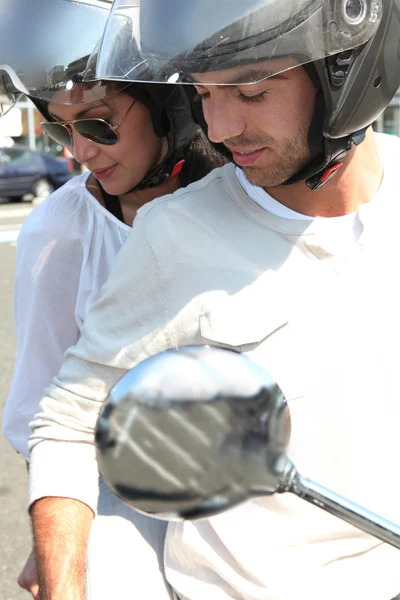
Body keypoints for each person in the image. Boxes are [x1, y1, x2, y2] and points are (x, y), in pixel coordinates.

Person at [26, 0, 400, 599]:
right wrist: (65, 583)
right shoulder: (178, 230)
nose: (219, 128)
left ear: (349, 70)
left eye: (250, 91)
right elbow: (69, 423)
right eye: (203, 94)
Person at [0, 1, 225, 598]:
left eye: (100, 124)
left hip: (249, 487)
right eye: (59, 127)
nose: (80, 151)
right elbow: (46, 404)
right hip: (123, 493)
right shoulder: (60, 228)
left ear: (172, 107)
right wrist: (52, 543)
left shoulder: (245, 201)